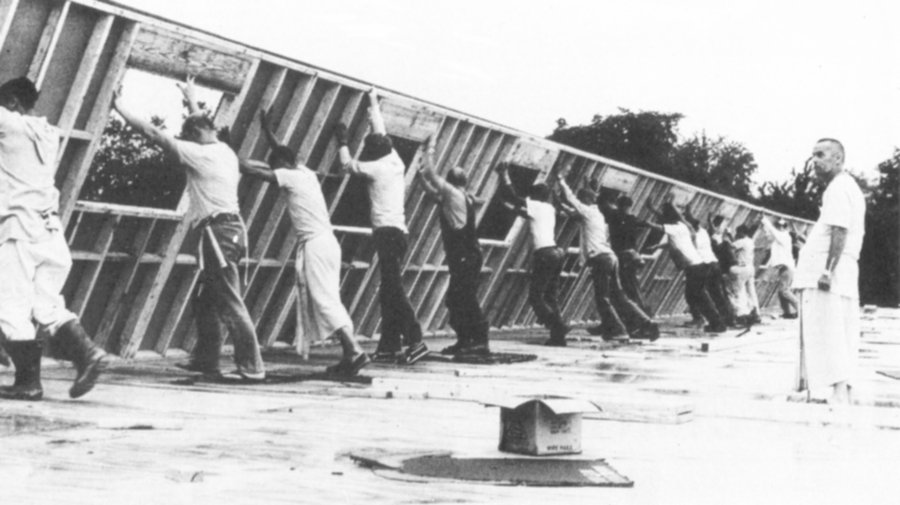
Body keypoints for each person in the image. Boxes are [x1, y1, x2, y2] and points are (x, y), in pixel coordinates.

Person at [113, 77, 265, 382]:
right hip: (231, 229)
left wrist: (118, 106)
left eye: (189, 135)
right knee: (205, 299)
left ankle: (253, 367)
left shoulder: (198, 153)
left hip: (217, 233)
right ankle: (207, 360)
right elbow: (201, 124)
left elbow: (153, 133)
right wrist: (191, 98)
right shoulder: (224, 150)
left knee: (229, 301)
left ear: (194, 135)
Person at [238, 109, 370, 376]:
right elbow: (284, 153)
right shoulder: (304, 172)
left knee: (324, 300)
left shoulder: (291, 175)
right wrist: (268, 132)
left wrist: (226, 149)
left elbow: (250, 170)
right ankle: (350, 353)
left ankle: (355, 350)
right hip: (328, 242)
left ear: (283, 166)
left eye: (277, 167)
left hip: (316, 245)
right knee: (330, 298)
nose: (275, 172)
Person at [0, 77, 106, 401]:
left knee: (9, 307)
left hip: (20, 230)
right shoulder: (49, 133)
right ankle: (87, 353)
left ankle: (28, 382)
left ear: (13, 102)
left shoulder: (11, 124)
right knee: (46, 305)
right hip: (50, 231)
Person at [334, 88, 427, 364]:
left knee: (393, 290)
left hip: (386, 234)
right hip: (397, 232)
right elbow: (380, 128)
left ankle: (415, 340)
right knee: (388, 291)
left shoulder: (376, 168)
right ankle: (389, 345)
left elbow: (348, 165)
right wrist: (373, 101)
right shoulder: (394, 159)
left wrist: (342, 141)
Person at [794, 139, 865, 404]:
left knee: (827, 330)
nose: (814, 160)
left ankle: (837, 391)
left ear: (838, 158)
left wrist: (827, 271)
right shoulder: (849, 187)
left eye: (820, 154)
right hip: (843, 271)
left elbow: (840, 230)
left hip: (828, 274)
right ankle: (842, 389)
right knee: (842, 329)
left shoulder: (837, 188)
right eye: (813, 155)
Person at [556, 176, 659, 342]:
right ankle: (647, 322)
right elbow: (573, 213)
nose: (579, 203)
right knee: (620, 296)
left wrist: (561, 180)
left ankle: (618, 330)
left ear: (586, 200)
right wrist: (559, 203)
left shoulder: (589, 211)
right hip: (610, 258)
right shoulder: (597, 215)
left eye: (582, 199)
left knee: (603, 298)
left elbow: (571, 200)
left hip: (600, 259)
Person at [417, 136, 491, 356]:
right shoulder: (458, 198)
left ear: (450, 182)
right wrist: (419, 178)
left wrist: (429, 148)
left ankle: (479, 340)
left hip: (466, 256)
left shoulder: (453, 194)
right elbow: (432, 193)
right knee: (455, 299)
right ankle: (465, 339)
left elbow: (432, 174)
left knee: (465, 298)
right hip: (465, 256)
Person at [496, 165, 569, 346]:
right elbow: (521, 211)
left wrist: (504, 175)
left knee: (536, 297)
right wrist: (506, 205)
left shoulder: (536, 206)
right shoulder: (549, 208)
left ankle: (558, 326)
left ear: (535, 196)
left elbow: (514, 197)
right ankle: (558, 337)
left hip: (545, 254)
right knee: (550, 296)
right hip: (556, 252)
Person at [645, 202, 726, 333]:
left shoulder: (674, 228)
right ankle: (714, 322)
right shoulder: (683, 227)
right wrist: (655, 209)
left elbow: (657, 225)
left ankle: (713, 322)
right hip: (698, 266)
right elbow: (674, 240)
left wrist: (643, 221)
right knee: (696, 296)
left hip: (695, 268)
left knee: (696, 296)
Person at [597, 193, 652, 313]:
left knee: (624, 286)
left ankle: (640, 313)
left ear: (618, 205)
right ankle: (642, 310)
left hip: (621, 255)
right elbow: (644, 225)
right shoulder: (633, 219)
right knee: (633, 285)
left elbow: (606, 207)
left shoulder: (614, 216)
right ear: (630, 206)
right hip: (632, 255)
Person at [684, 209, 736, 327]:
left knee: (693, 294)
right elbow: (711, 230)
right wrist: (691, 213)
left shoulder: (691, 235)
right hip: (714, 264)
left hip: (702, 265)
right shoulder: (703, 231)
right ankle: (728, 318)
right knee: (718, 294)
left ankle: (700, 318)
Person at [760, 216, 799, 318]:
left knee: (784, 291)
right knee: (781, 292)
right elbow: (769, 234)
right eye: (778, 226)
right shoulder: (780, 239)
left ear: (784, 227)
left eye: (781, 226)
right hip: (784, 268)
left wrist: (765, 220)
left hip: (787, 268)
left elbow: (773, 232)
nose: (779, 228)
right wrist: (764, 225)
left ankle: (801, 309)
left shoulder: (784, 237)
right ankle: (787, 312)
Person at [730, 224, 762, 325]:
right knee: (751, 292)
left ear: (742, 232)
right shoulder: (750, 241)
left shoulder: (742, 241)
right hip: (750, 268)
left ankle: (742, 314)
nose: (737, 234)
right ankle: (756, 312)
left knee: (740, 291)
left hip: (742, 268)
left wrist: (729, 235)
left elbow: (730, 246)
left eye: (738, 232)